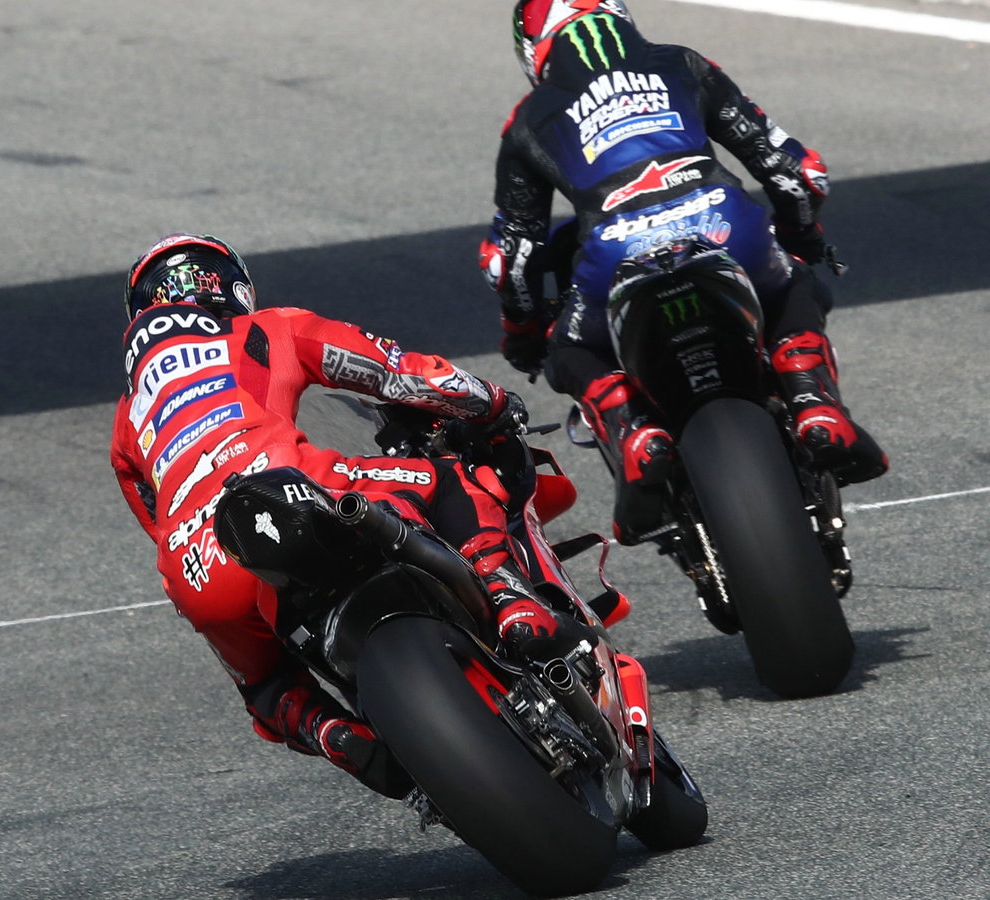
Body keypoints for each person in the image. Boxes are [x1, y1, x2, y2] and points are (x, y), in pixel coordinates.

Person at [111, 233, 582, 799]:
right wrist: (491, 401)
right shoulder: (266, 329)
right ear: (232, 288)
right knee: (446, 479)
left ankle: (330, 730)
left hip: (201, 566)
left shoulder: (126, 419)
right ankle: (510, 602)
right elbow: (400, 374)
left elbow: (155, 521)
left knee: (265, 684)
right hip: (293, 491)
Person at [478, 0, 888, 543]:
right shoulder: (681, 62)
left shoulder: (530, 117)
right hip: (724, 225)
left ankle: (633, 428)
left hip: (614, 254)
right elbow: (797, 172)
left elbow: (510, 259)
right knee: (792, 284)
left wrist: (524, 333)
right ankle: (812, 400)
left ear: (534, 51)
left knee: (571, 349)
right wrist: (800, 235)